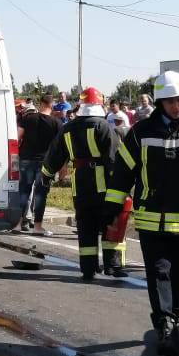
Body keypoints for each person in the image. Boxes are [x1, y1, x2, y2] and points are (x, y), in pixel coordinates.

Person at [103, 71, 179, 356]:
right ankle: (164, 326)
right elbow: (123, 174)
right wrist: (112, 208)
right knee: (159, 274)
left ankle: (174, 316)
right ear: (159, 103)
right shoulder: (141, 132)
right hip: (152, 219)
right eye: (169, 102)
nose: (176, 107)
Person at [41, 87, 123, 279]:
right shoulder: (103, 126)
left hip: (80, 184)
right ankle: (112, 266)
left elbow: (54, 155)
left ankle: (88, 268)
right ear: (99, 104)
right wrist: (121, 184)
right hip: (103, 185)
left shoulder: (67, 128)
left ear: (81, 105)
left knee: (86, 227)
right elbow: (114, 158)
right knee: (110, 223)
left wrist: (46, 175)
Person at [12, 93, 61, 233]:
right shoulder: (56, 123)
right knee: (40, 194)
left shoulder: (28, 118)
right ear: (51, 106)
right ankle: (38, 227)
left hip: (26, 160)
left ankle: (18, 224)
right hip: (45, 163)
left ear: (40, 104)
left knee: (23, 192)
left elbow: (17, 136)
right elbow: (59, 146)